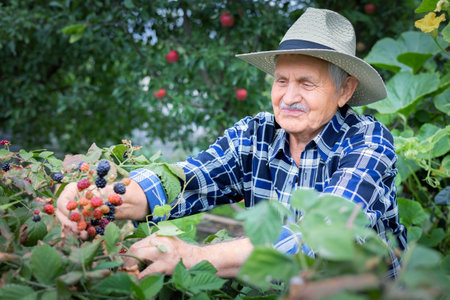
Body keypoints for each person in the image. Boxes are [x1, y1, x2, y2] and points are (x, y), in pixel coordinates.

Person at [56, 7, 407, 279]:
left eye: (306, 83)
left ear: (344, 90)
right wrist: (98, 199)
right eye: (281, 80)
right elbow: (185, 181)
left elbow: (325, 239)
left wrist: (193, 256)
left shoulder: (368, 143)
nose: (289, 96)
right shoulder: (255, 134)